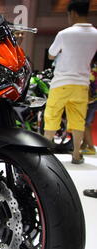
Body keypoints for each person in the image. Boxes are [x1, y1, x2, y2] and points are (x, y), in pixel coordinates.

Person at [43, 0, 97, 164]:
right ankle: (75, 154)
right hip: (81, 83)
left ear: (72, 13)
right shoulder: (95, 34)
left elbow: (51, 54)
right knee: (78, 120)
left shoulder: (65, 33)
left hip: (61, 82)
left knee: (52, 116)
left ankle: (47, 153)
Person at [80, 56, 97, 155]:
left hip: (90, 100)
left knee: (85, 124)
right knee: (87, 123)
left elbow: (90, 85)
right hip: (93, 99)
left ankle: (91, 147)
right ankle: (84, 145)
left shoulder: (92, 71)